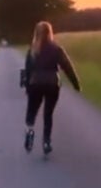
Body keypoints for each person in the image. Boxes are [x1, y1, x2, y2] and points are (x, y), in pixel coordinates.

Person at [22, 21, 81, 155]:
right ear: (50, 33)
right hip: (52, 84)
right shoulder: (57, 49)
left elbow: (27, 71)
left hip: (35, 83)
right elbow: (67, 67)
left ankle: (30, 133)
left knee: (31, 112)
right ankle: (46, 141)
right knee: (48, 114)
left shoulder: (32, 49)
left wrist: (27, 87)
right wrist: (76, 84)